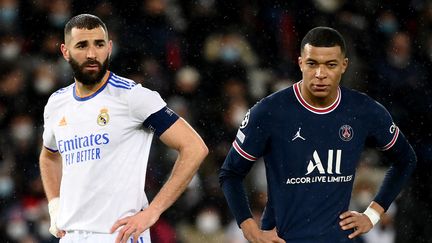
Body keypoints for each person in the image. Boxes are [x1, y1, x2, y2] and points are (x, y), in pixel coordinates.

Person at [219, 26, 417, 243]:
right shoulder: (269, 112)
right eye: (312, 64)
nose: (320, 74)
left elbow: (405, 159)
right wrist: (250, 228)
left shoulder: (363, 110)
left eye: (330, 65)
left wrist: (373, 214)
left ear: (344, 66)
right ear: (301, 63)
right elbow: (231, 173)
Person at [39, 14, 208, 243]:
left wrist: (153, 211)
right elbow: (49, 155)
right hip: (71, 236)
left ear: (109, 47)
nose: (92, 54)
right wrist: (54, 204)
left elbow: (194, 147)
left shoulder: (132, 96)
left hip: (118, 235)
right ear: (65, 51)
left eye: (99, 44)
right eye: (81, 45)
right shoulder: (57, 103)